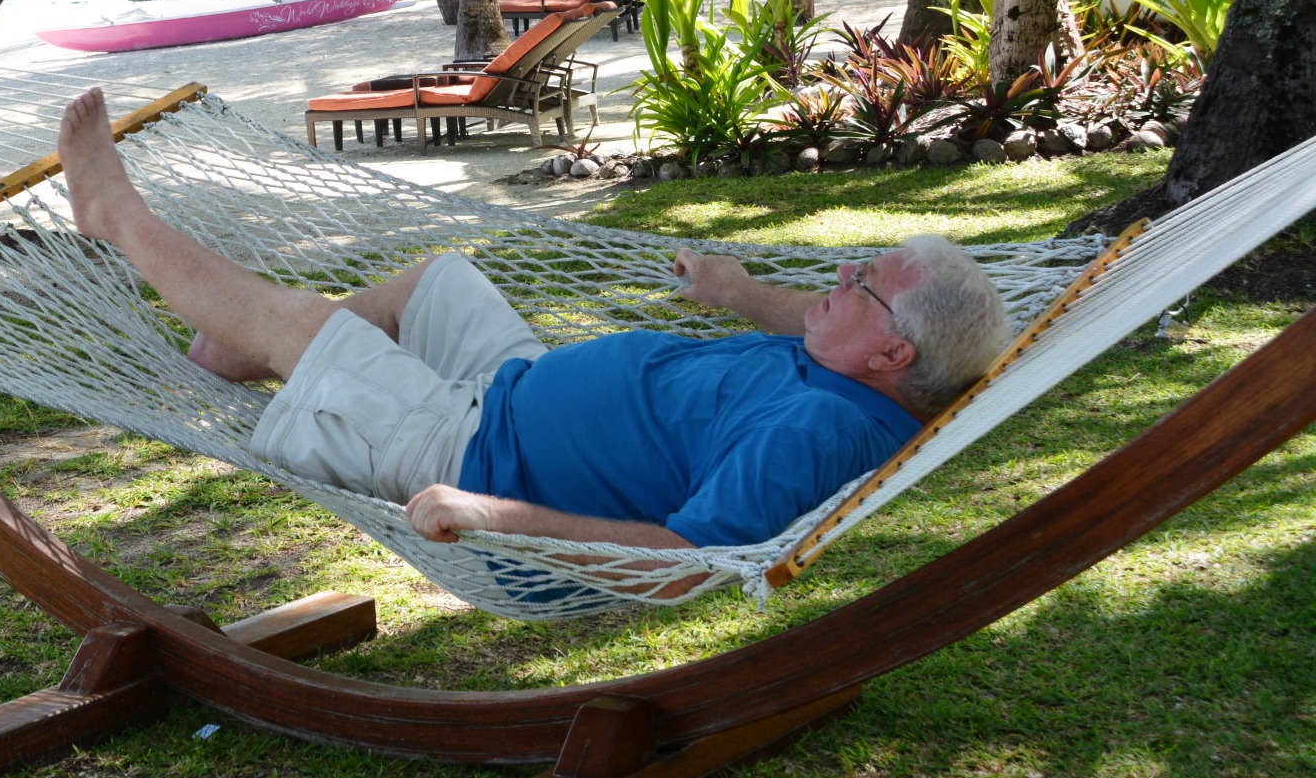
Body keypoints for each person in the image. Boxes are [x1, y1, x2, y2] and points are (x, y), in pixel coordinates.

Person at [56, 88, 1011, 551]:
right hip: (512, 391)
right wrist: (734, 290)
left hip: (474, 455)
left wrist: (490, 514)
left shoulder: (820, 430)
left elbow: (688, 560)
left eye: (864, 280)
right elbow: (811, 315)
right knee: (440, 280)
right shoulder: (852, 364)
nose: (840, 274)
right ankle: (244, 349)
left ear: (893, 351)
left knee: (303, 323)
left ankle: (116, 217)